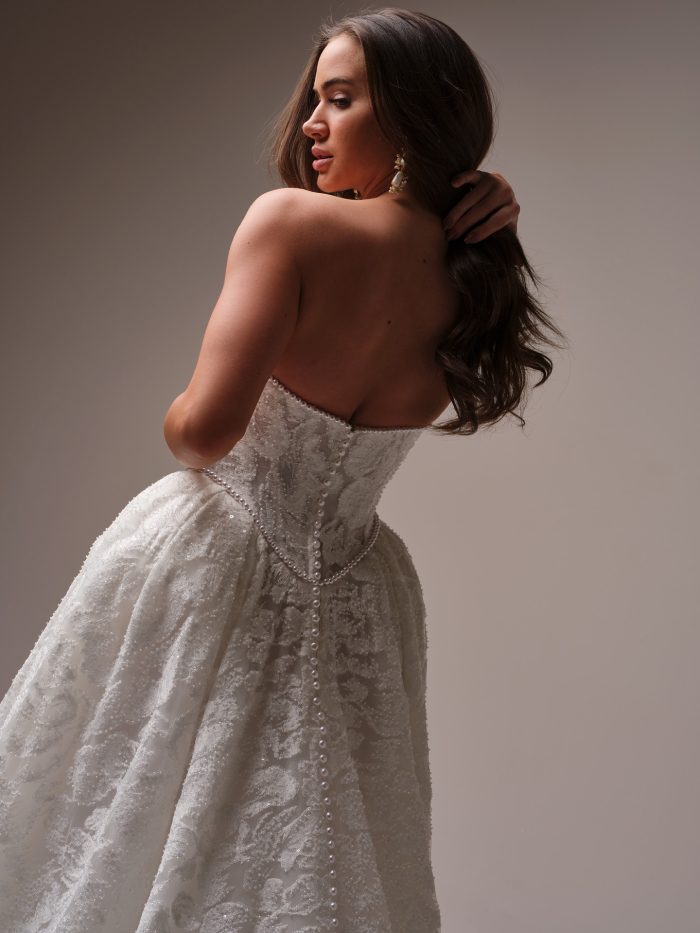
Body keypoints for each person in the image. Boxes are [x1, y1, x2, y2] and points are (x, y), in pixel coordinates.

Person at [0, 8, 565, 933]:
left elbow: (202, 435)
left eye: (340, 99)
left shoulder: (289, 225)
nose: (310, 121)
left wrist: (177, 400)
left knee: (116, 811)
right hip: (362, 590)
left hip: (210, 558)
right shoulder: (476, 272)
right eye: (315, 97)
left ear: (417, 113)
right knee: (317, 833)